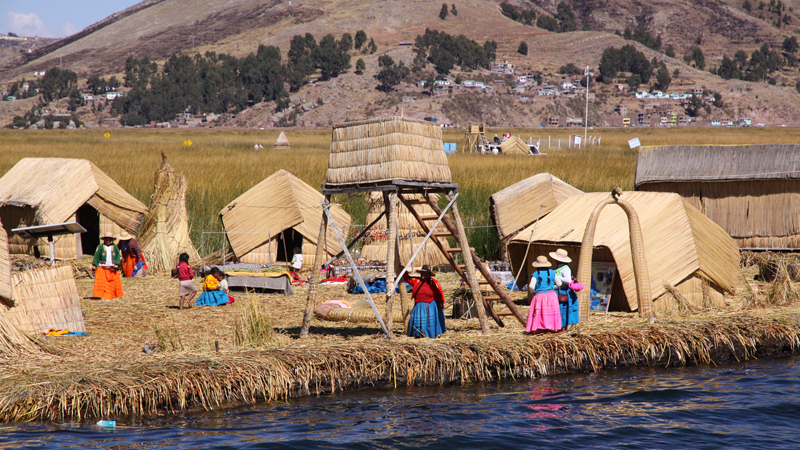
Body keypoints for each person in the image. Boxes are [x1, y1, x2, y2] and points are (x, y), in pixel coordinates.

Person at [403, 265, 446, 338]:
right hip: (418, 307)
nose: (422, 275)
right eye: (422, 273)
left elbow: (440, 294)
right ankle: (418, 334)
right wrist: (403, 270)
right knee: (418, 323)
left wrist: (440, 306)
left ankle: (429, 335)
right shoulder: (417, 281)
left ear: (429, 274)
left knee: (428, 323)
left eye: (425, 273)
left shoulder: (433, 282)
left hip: (429, 306)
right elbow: (407, 279)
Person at [526, 255, 561, 334]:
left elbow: (531, 286)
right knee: (550, 311)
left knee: (540, 312)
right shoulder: (552, 272)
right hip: (551, 295)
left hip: (539, 296)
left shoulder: (536, 274)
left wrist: (533, 292)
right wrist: (552, 288)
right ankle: (552, 327)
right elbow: (559, 283)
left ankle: (539, 327)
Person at [550, 248, 579, 330]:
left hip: (563, 292)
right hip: (557, 291)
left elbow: (568, 280)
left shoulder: (565, 268)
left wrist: (557, 277)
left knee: (563, 310)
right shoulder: (557, 267)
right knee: (557, 310)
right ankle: (557, 326)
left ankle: (563, 327)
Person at [92, 233, 123, 299]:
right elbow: (97, 256)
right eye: (107, 239)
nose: (108, 241)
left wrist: (116, 264)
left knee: (113, 282)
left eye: (109, 239)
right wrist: (94, 265)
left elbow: (118, 256)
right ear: (104, 240)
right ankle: (101, 295)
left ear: (111, 240)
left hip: (112, 269)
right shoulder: (100, 247)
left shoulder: (115, 247)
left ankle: (112, 295)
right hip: (102, 268)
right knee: (102, 283)